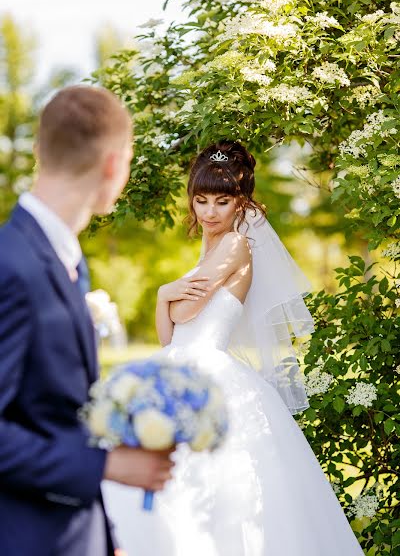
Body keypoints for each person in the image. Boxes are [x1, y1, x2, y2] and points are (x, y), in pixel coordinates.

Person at [103, 140, 364, 556]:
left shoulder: (236, 245)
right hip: (185, 363)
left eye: (221, 201)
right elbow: (167, 336)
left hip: (213, 370)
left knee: (217, 490)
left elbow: (186, 313)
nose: (209, 212)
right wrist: (161, 295)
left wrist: (169, 294)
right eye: (201, 200)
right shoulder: (210, 247)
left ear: (241, 202)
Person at [0, 85, 174, 556]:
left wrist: (104, 536)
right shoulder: (10, 265)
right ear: (115, 164)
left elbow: (58, 416)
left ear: (41, 150)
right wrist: (105, 467)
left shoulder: (67, 260)